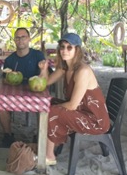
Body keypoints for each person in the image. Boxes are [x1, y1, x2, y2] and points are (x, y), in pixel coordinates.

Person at [38, 33, 110, 165]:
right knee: (46, 103)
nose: (64, 50)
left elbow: (72, 105)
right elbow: (46, 82)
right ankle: (48, 145)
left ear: (77, 50)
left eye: (69, 47)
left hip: (94, 120)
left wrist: (52, 109)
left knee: (52, 111)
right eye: (62, 47)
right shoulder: (65, 68)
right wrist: (43, 70)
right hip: (80, 112)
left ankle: (49, 156)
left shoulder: (83, 71)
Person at [0, 27, 45, 148]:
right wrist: (10, 79)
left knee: (42, 106)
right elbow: (3, 79)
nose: (20, 40)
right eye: (18, 37)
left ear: (28, 39)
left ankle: (39, 135)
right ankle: (8, 136)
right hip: (14, 93)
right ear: (14, 40)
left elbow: (45, 77)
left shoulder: (38, 56)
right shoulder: (10, 60)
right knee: (1, 105)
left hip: (33, 93)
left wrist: (43, 69)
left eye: (23, 37)